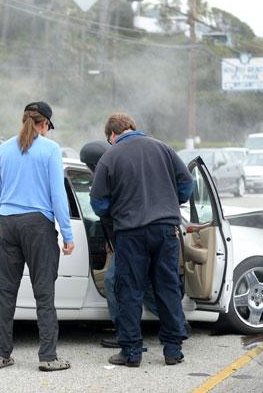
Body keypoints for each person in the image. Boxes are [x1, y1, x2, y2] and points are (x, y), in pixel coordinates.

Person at [90, 112, 193, 367]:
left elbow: (98, 203)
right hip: (166, 230)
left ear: (112, 135)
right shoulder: (164, 149)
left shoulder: (110, 156)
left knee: (130, 291)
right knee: (167, 288)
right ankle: (172, 350)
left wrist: (116, 210)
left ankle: (131, 353)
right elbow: (187, 185)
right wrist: (171, 201)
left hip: (130, 232)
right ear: (131, 127)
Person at [0, 101, 74, 372]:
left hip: (8, 223)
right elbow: (57, 196)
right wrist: (67, 233)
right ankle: (48, 357)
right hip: (38, 225)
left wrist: (2, 222)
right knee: (44, 292)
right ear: (45, 123)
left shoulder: (3, 149)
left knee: (4, 291)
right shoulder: (50, 149)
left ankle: (0, 353)